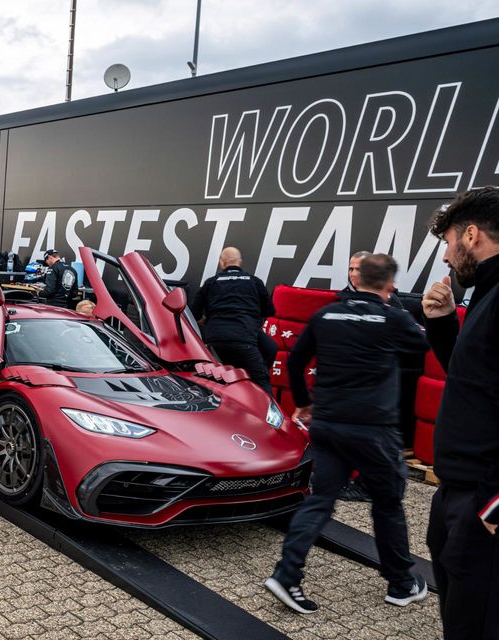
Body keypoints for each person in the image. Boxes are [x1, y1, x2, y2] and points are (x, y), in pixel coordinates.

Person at [265, 254, 430, 614]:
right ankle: (401, 583)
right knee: (387, 504)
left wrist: (305, 402)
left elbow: (294, 359)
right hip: (374, 430)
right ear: (390, 285)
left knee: (320, 499)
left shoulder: (326, 314)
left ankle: (287, 574)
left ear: (357, 279)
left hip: (328, 422)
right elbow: (421, 349)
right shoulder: (393, 317)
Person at [421, 186, 499, 639]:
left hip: (483, 497)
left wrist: (494, 499)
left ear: (470, 235)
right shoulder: (486, 295)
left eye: (448, 243)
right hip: (457, 491)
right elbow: (473, 382)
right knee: (458, 615)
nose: (447, 258)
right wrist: (443, 324)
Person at [189, 247, 275, 394]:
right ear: (239, 262)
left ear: (222, 263)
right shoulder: (254, 281)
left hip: (215, 340)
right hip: (245, 337)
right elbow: (270, 311)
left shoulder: (211, 283)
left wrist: (206, 319)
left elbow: (193, 314)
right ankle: (261, 404)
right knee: (262, 384)